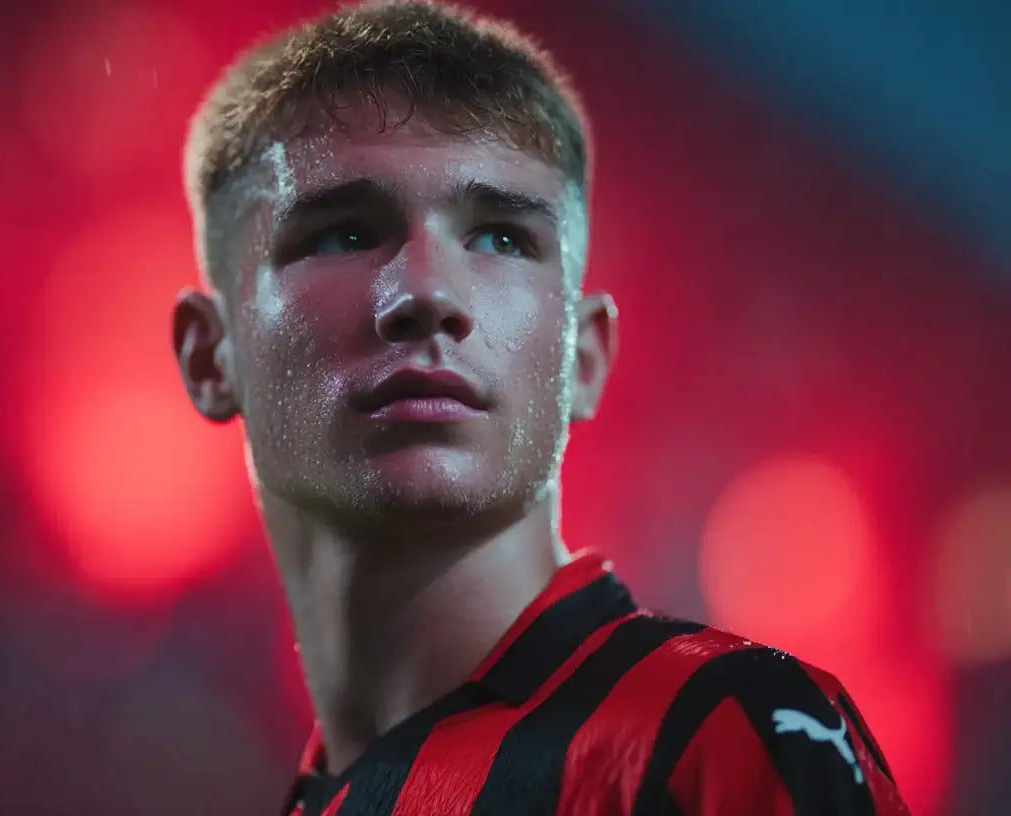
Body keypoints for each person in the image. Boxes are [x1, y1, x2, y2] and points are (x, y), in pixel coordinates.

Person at [170, 1, 908, 813]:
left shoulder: (720, 727)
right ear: (211, 355)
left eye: (499, 237)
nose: (426, 291)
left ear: (584, 356)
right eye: (345, 232)